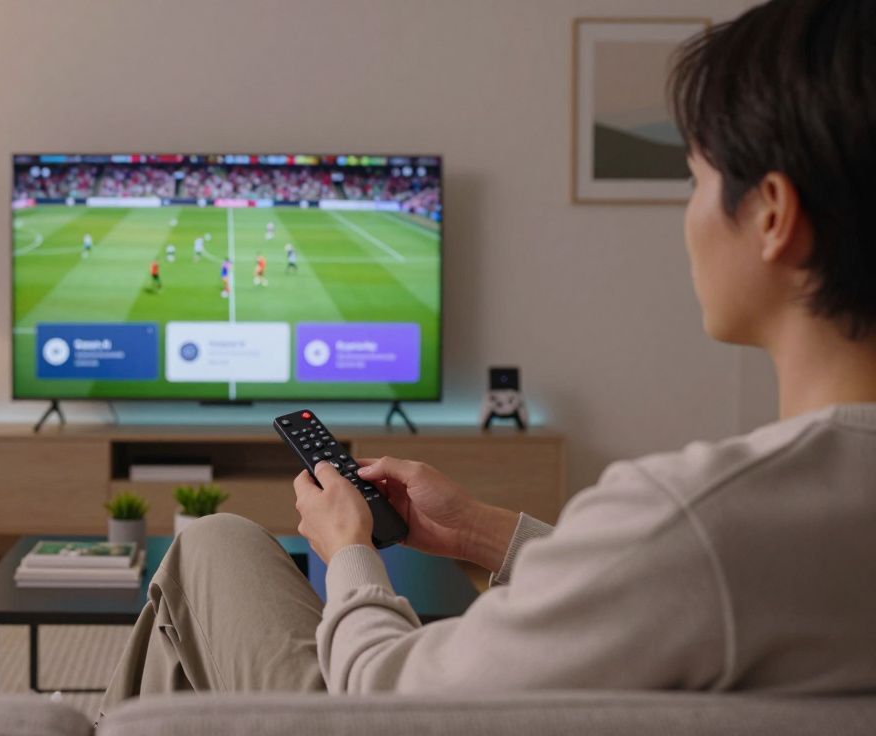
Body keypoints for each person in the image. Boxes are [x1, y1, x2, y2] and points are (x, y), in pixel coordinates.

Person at [100, 0, 876, 716]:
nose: (688, 214)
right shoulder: (738, 531)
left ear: (772, 216)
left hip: (379, 717)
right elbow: (652, 585)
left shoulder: (696, 517)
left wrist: (349, 550)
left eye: (695, 179)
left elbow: (391, 698)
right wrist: (479, 531)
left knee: (210, 543)